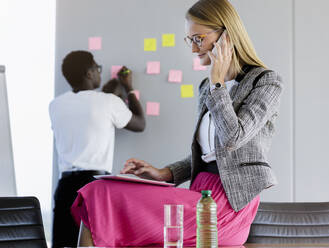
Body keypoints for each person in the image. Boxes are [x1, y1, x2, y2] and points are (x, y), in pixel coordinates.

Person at [72, 0, 283, 246]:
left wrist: (218, 82)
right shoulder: (207, 88)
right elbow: (208, 155)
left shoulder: (265, 82)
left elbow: (233, 139)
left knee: (102, 196)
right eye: (189, 40)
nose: (194, 49)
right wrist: (164, 173)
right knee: (100, 195)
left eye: (198, 39)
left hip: (228, 205)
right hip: (200, 193)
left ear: (226, 35)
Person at [49, 50, 145, 248]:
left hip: (65, 187)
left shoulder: (55, 105)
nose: (100, 73)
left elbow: (86, 111)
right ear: (89, 73)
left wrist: (106, 95)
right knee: (95, 241)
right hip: (95, 186)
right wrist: (129, 89)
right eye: (97, 68)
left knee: (64, 243)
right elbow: (139, 123)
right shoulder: (109, 102)